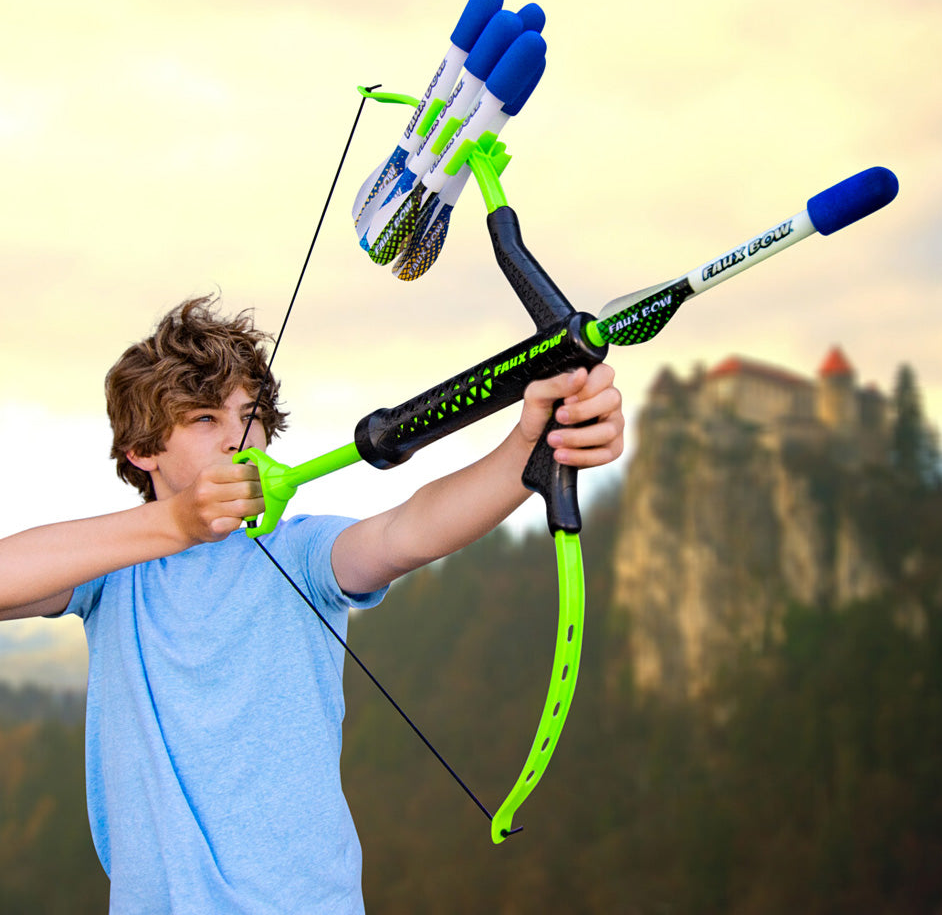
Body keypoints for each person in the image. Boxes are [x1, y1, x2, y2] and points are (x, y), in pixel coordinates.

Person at [0, 295, 624, 914]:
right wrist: (180, 524)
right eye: (203, 420)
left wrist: (528, 447)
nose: (236, 437)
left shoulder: (301, 550)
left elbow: (407, 531)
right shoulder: (112, 572)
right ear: (142, 450)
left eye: (249, 414)